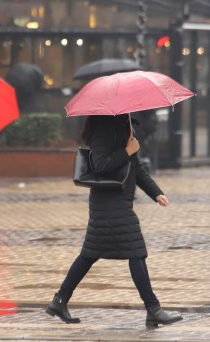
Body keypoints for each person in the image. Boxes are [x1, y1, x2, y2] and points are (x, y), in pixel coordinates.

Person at [45, 114, 183, 327]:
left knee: (89, 255)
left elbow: (136, 168)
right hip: (108, 203)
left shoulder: (125, 127)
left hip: (118, 202)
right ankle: (153, 309)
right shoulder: (104, 128)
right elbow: (100, 165)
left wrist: (156, 193)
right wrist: (127, 150)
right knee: (135, 251)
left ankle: (59, 301)